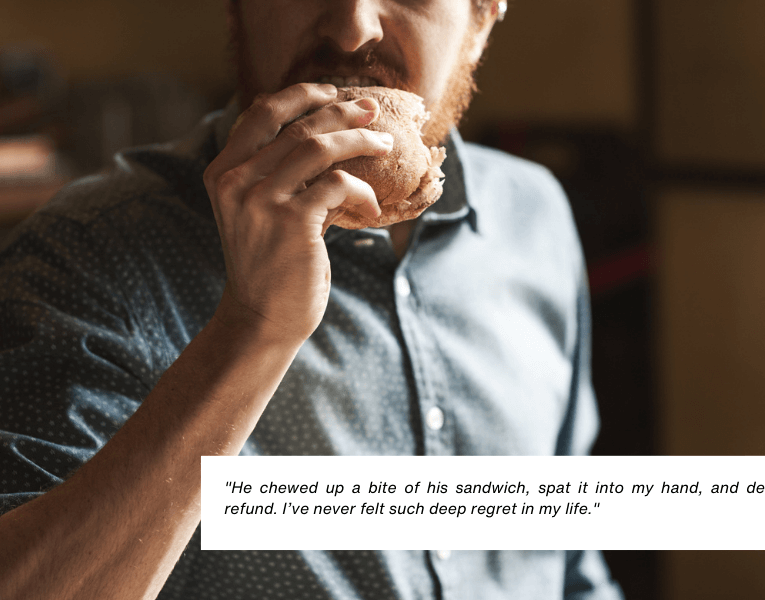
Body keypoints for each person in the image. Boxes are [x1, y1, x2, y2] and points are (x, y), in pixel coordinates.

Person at [0, 0, 624, 598]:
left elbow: (564, 559)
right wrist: (253, 331)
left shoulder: (534, 214)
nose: (353, 30)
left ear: (483, 14)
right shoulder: (81, 253)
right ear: (235, 9)